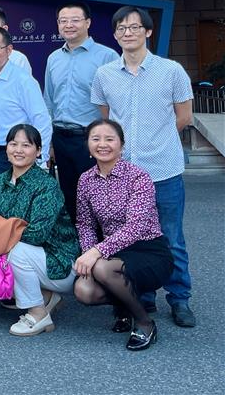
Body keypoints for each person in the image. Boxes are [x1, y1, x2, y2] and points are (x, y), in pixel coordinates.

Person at [91, 5, 196, 328]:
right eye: (121, 28)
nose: (128, 33)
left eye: (135, 27)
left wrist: (157, 142)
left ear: (148, 32)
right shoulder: (105, 74)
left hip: (162, 170)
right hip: (123, 174)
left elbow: (184, 116)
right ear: (115, 34)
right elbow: (107, 119)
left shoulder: (171, 71)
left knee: (171, 237)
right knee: (133, 237)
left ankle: (179, 298)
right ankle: (143, 295)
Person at [0, 124, 79, 337]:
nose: (18, 150)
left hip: (59, 262)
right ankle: (46, 297)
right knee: (1, 248)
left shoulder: (46, 185)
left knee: (14, 251)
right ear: (6, 148)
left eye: (26, 145)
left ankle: (38, 314)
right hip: (31, 258)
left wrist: (0, 232)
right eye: (13, 144)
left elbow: (37, 234)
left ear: (38, 151)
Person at [73, 119, 173, 351]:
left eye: (109, 139)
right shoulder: (85, 180)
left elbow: (136, 227)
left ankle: (144, 323)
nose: (102, 144)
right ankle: (125, 306)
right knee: (83, 291)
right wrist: (88, 252)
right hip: (112, 252)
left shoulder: (138, 177)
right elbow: (85, 223)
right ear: (88, 145)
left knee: (102, 268)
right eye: (96, 139)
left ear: (121, 145)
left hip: (148, 250)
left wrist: (96, 253)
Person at [44, 1, 119, 220]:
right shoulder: (53, 58)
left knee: (98, 198)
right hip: (60, 138)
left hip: (91, 139)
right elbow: (48, 101)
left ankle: (102, 241)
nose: (69, 25)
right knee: (69, 197)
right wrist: (48, 142)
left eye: (75, 20)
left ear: (88, 23)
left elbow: (116, 104)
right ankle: (76, 241)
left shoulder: (107, 57)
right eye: (63, 21)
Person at [0, 26, 52, 188]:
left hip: (12, 157)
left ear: (9, 50)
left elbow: (42, 120)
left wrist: (39, 159)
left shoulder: (23, 81)